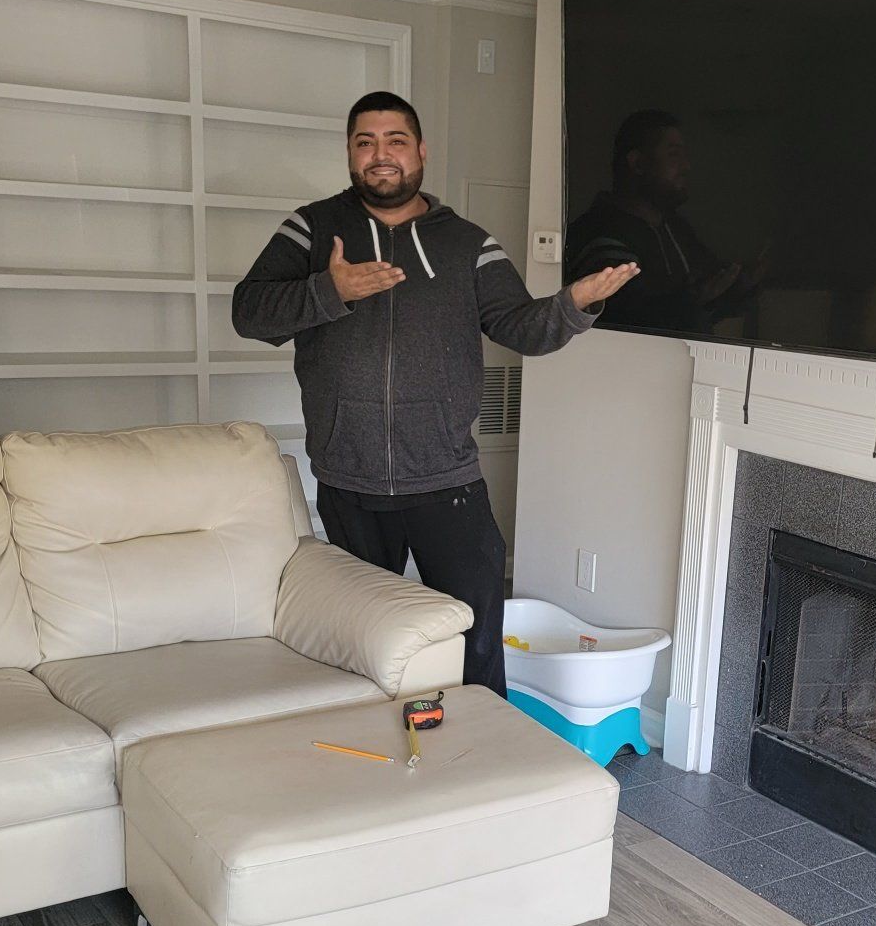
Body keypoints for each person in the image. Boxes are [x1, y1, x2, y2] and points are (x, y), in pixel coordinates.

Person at [232, 91, 636, 695]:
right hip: (350, 479)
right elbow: (249, 312)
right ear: (349, 153)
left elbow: (518, 327)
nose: (380, 155)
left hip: (446, 478)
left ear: (420, 150)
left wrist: (574, 304)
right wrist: (328, 290)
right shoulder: (313, 228)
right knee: (359, 640)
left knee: (475, 629)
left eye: (395, 141)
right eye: (365, 142)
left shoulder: (467, 243)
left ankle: (485, 754)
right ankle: (380, 753)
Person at [565, 110, 752, 334]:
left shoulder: (675, 229)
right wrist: (695, 299)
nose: (686, 167)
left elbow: (711, 283)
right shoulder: (600, 235)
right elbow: (629, 321)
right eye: (674, 155)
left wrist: (744, 283)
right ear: (638, 163)